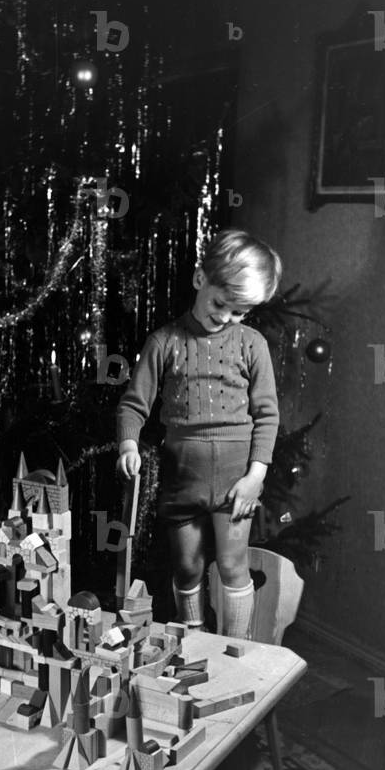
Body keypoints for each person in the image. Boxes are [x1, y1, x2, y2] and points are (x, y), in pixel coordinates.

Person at [116, 228, 281, 638]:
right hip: (181, 480)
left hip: (235, 483)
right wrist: (128, 444)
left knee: (231, 564)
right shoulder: (163, 341)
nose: (225, 317)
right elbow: (134, 404)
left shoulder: (252, 345)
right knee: (187, 565)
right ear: (198, 278)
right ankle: (194, 638)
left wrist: (255, 478)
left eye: (240, 312)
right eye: (220, 302)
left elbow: (267, 414)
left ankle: (238, 646)